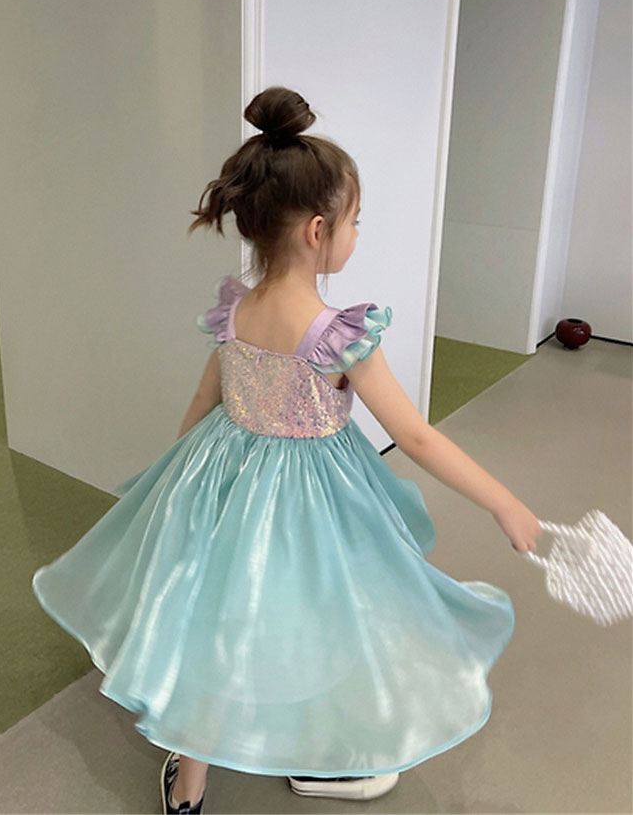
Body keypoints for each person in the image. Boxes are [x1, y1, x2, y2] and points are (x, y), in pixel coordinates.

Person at [32, 86, 542, 815]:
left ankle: (190, 781)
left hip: (222, 476)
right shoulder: (339, 334)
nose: (357, 234)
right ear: (316, 229)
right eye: (355, 221)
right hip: (312, 500)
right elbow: (417, 436)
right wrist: (505, 502)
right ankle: (320, 749)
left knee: (218, 617)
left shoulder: (235, 308)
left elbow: (204, 401)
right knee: (323, 607)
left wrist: (172, 486)